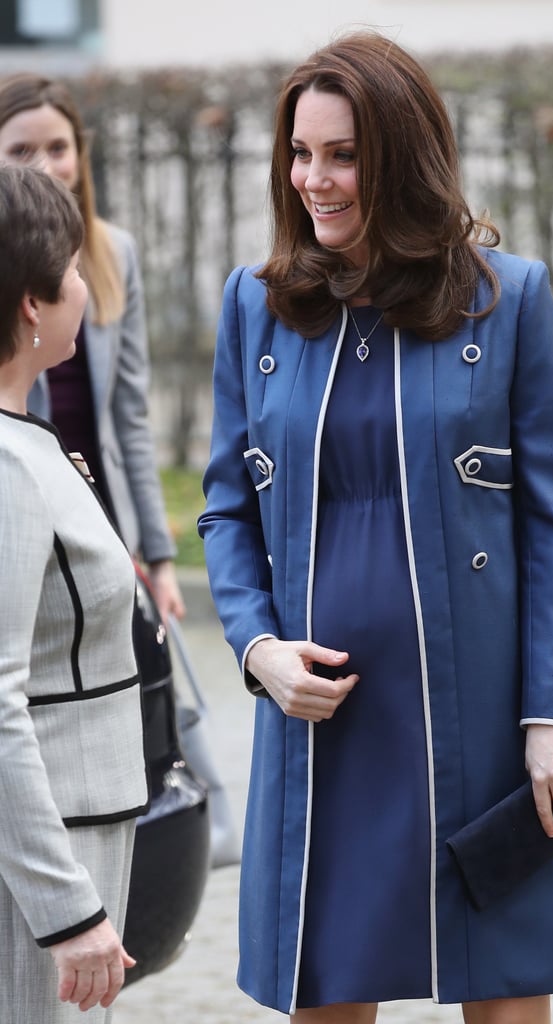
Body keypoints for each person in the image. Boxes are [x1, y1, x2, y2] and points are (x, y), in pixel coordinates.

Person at [198, 31, 553, 1024]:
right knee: (328, 993)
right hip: (323, 719)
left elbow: (550, 526)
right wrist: (257, 652)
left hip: (481, 717)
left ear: (401, 154)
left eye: (342, 154)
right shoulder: (256, 306)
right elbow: (225, 507)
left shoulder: (506, 303)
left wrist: (548, 713)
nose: (313, 179)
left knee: (501, 988)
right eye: (298, 153)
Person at [0, 165, 149, 1021]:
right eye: (70, 270)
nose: (84, 288)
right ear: (31, 302)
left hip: (72, 832)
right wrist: (68, 912)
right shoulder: (9, 468)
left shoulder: (30, 439)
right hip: (46, 849)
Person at [0, 72, 184, 622]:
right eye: (21, 149)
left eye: (58, 147)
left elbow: (129, 416)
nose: (44, 165)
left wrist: (160, 555)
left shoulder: (113, 254)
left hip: (100, 505)